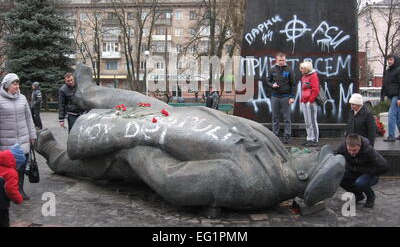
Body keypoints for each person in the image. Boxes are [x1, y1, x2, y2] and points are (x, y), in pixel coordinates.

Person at [34, 63, 346, 210]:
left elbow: (176, 182)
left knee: (101, 162)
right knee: (134, 99)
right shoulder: (277, 155)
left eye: (312, 157)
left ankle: (54, 156)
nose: (309, 151)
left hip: (150, 141)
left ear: (303, 173)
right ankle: (87, 93)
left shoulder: (252, 181)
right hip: (175, 120)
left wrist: (136, 150)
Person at [0, 73, 37, 200]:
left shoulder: (22, 98)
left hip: (23, 139)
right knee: (8, 168)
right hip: (6, 141)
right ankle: (7, 189)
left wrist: (32, 135)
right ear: (6, 85)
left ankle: (19, 189)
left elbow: (29, 118)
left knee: (21, 167)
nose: (17, 86)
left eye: (18, 83)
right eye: (14, 84)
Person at [335, 134, 389, 208]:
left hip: (369, 174)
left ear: (360, 147)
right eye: (349, 150)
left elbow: (384, 166)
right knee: (339, 177)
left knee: (360, 182)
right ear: (346, 145)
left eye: (354, 150)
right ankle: (358, 195)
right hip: (353, 171)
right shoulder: (342, 148)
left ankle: (370, 197)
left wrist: (366, 171)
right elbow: (336, 158)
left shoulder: (369, 151)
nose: (351, 152)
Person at [266, 52, 296, 144]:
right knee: (275, 117)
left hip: (285, 97)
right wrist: (272, 85)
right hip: (275, 97)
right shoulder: (272, 69)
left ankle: (287, 136)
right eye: (280, 60)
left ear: (285, 60)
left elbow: (293, 84)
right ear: (276, 60)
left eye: (283, 60)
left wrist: (292, 97)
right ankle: (275, 136)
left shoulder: (289, 70)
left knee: (287, 118)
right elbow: (267, 81)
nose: (282, 62)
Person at [0, 144, 25, 227]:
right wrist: (18, 199)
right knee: (3, 221)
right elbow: (11, 189)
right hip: (1, 203)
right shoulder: (11, 173)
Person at [299, 61, 320, 147]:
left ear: (307, 69)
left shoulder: (313, 76)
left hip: (310, 102)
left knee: (312, 121)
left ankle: (314, 139)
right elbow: (303, 89)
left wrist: (310, 100)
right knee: (307, 121)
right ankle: (309, 138)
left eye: (302, 68)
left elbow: (315, 89)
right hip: (305, 101)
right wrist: (302, 99)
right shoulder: (304, 77)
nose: (301, 70)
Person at [382, 54, 400, 142]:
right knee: (397, 116)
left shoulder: (398, 70)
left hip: (397, 96)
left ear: (395, 60)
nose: (389, 61)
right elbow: (385, 84)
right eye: (388, 60)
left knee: (391, 115)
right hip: (391, 95)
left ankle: (391, 136)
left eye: (391, 59)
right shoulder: (388, 71)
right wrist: (383, 95)